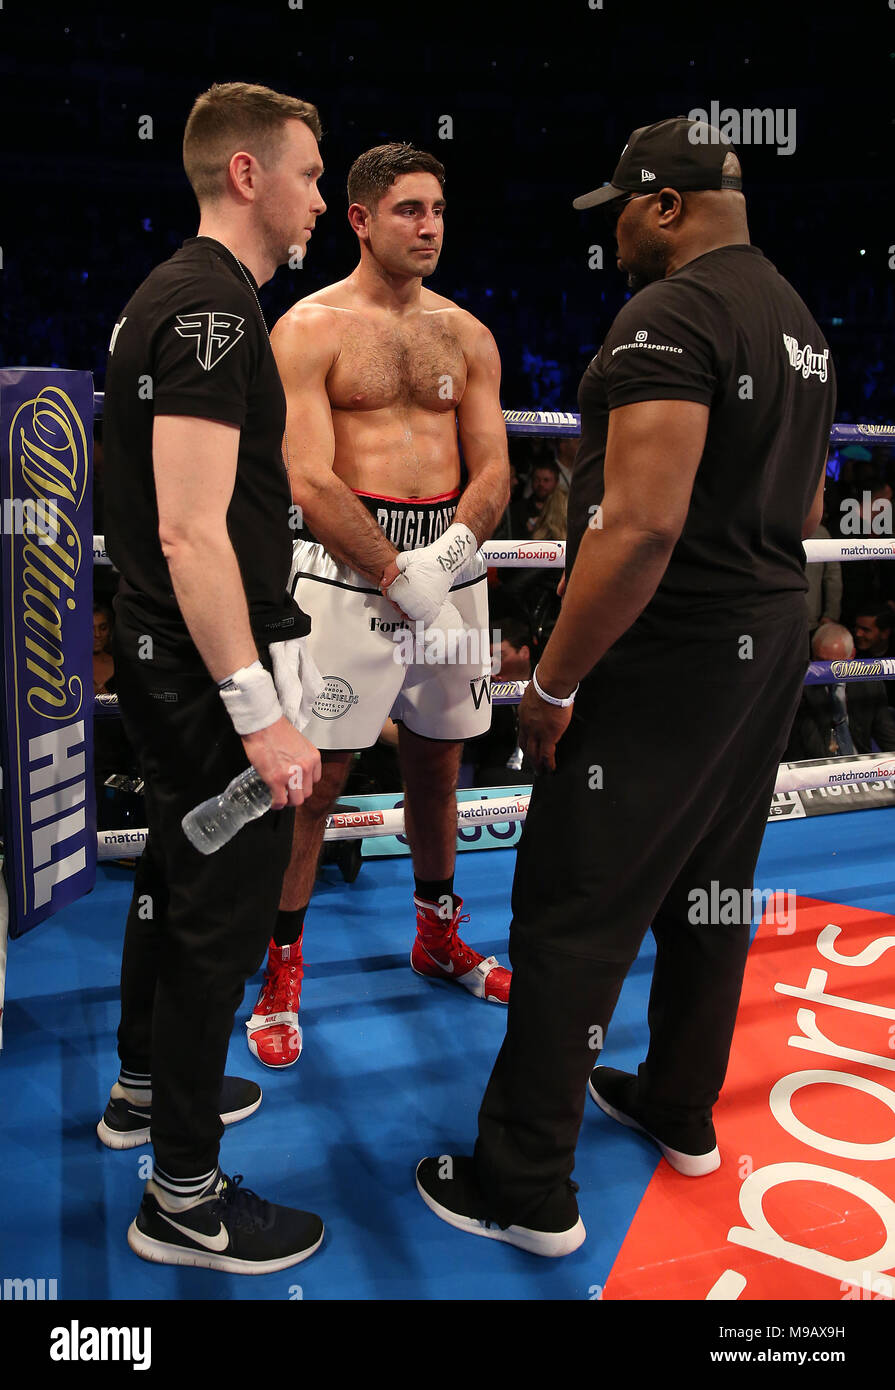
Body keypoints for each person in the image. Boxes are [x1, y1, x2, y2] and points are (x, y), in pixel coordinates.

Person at [415, 116, 836, 1256]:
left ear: (665, 206)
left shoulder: (676, 312)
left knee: (574, 902)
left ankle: (524, 1184)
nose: (615, 244)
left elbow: (640, 524)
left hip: (670, 645)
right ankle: (678, 1104)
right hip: (763, 632)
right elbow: (800, 516)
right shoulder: (800, 327)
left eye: (623, 217)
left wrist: (554, 681)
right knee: (712, 882)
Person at [99, 82, 327, 1273]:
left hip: (170, 657)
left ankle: (142, 1090)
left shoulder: (187, 298)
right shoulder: (211, 311)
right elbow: (190, 534)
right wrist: (262, 715)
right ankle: (181, 1197)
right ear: (247, 174)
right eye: (308, 174)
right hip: (199, 672)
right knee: (217, 922)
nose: (319, 198)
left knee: (179, 886)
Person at [244, 142, 511, 1069]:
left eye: (436, 208)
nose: (428, 225)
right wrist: (400, 578)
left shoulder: (468, 333)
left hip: (454, 567)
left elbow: (495, 471)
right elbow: (309, 476)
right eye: (407, 209)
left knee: (440, 767)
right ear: (358, 219)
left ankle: (437, 934)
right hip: (347, 574)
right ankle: (281, 964)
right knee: (313, 782)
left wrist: (442, 562)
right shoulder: (308, 329)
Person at [785, 622, 895, 758]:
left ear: (851, 656)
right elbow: (805, 747)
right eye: (820, 660)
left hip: (861, 768)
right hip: (817, 769)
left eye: (835, 664)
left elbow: (888, 737)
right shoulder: (800, 689)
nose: (826, 670)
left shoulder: (870, 684)